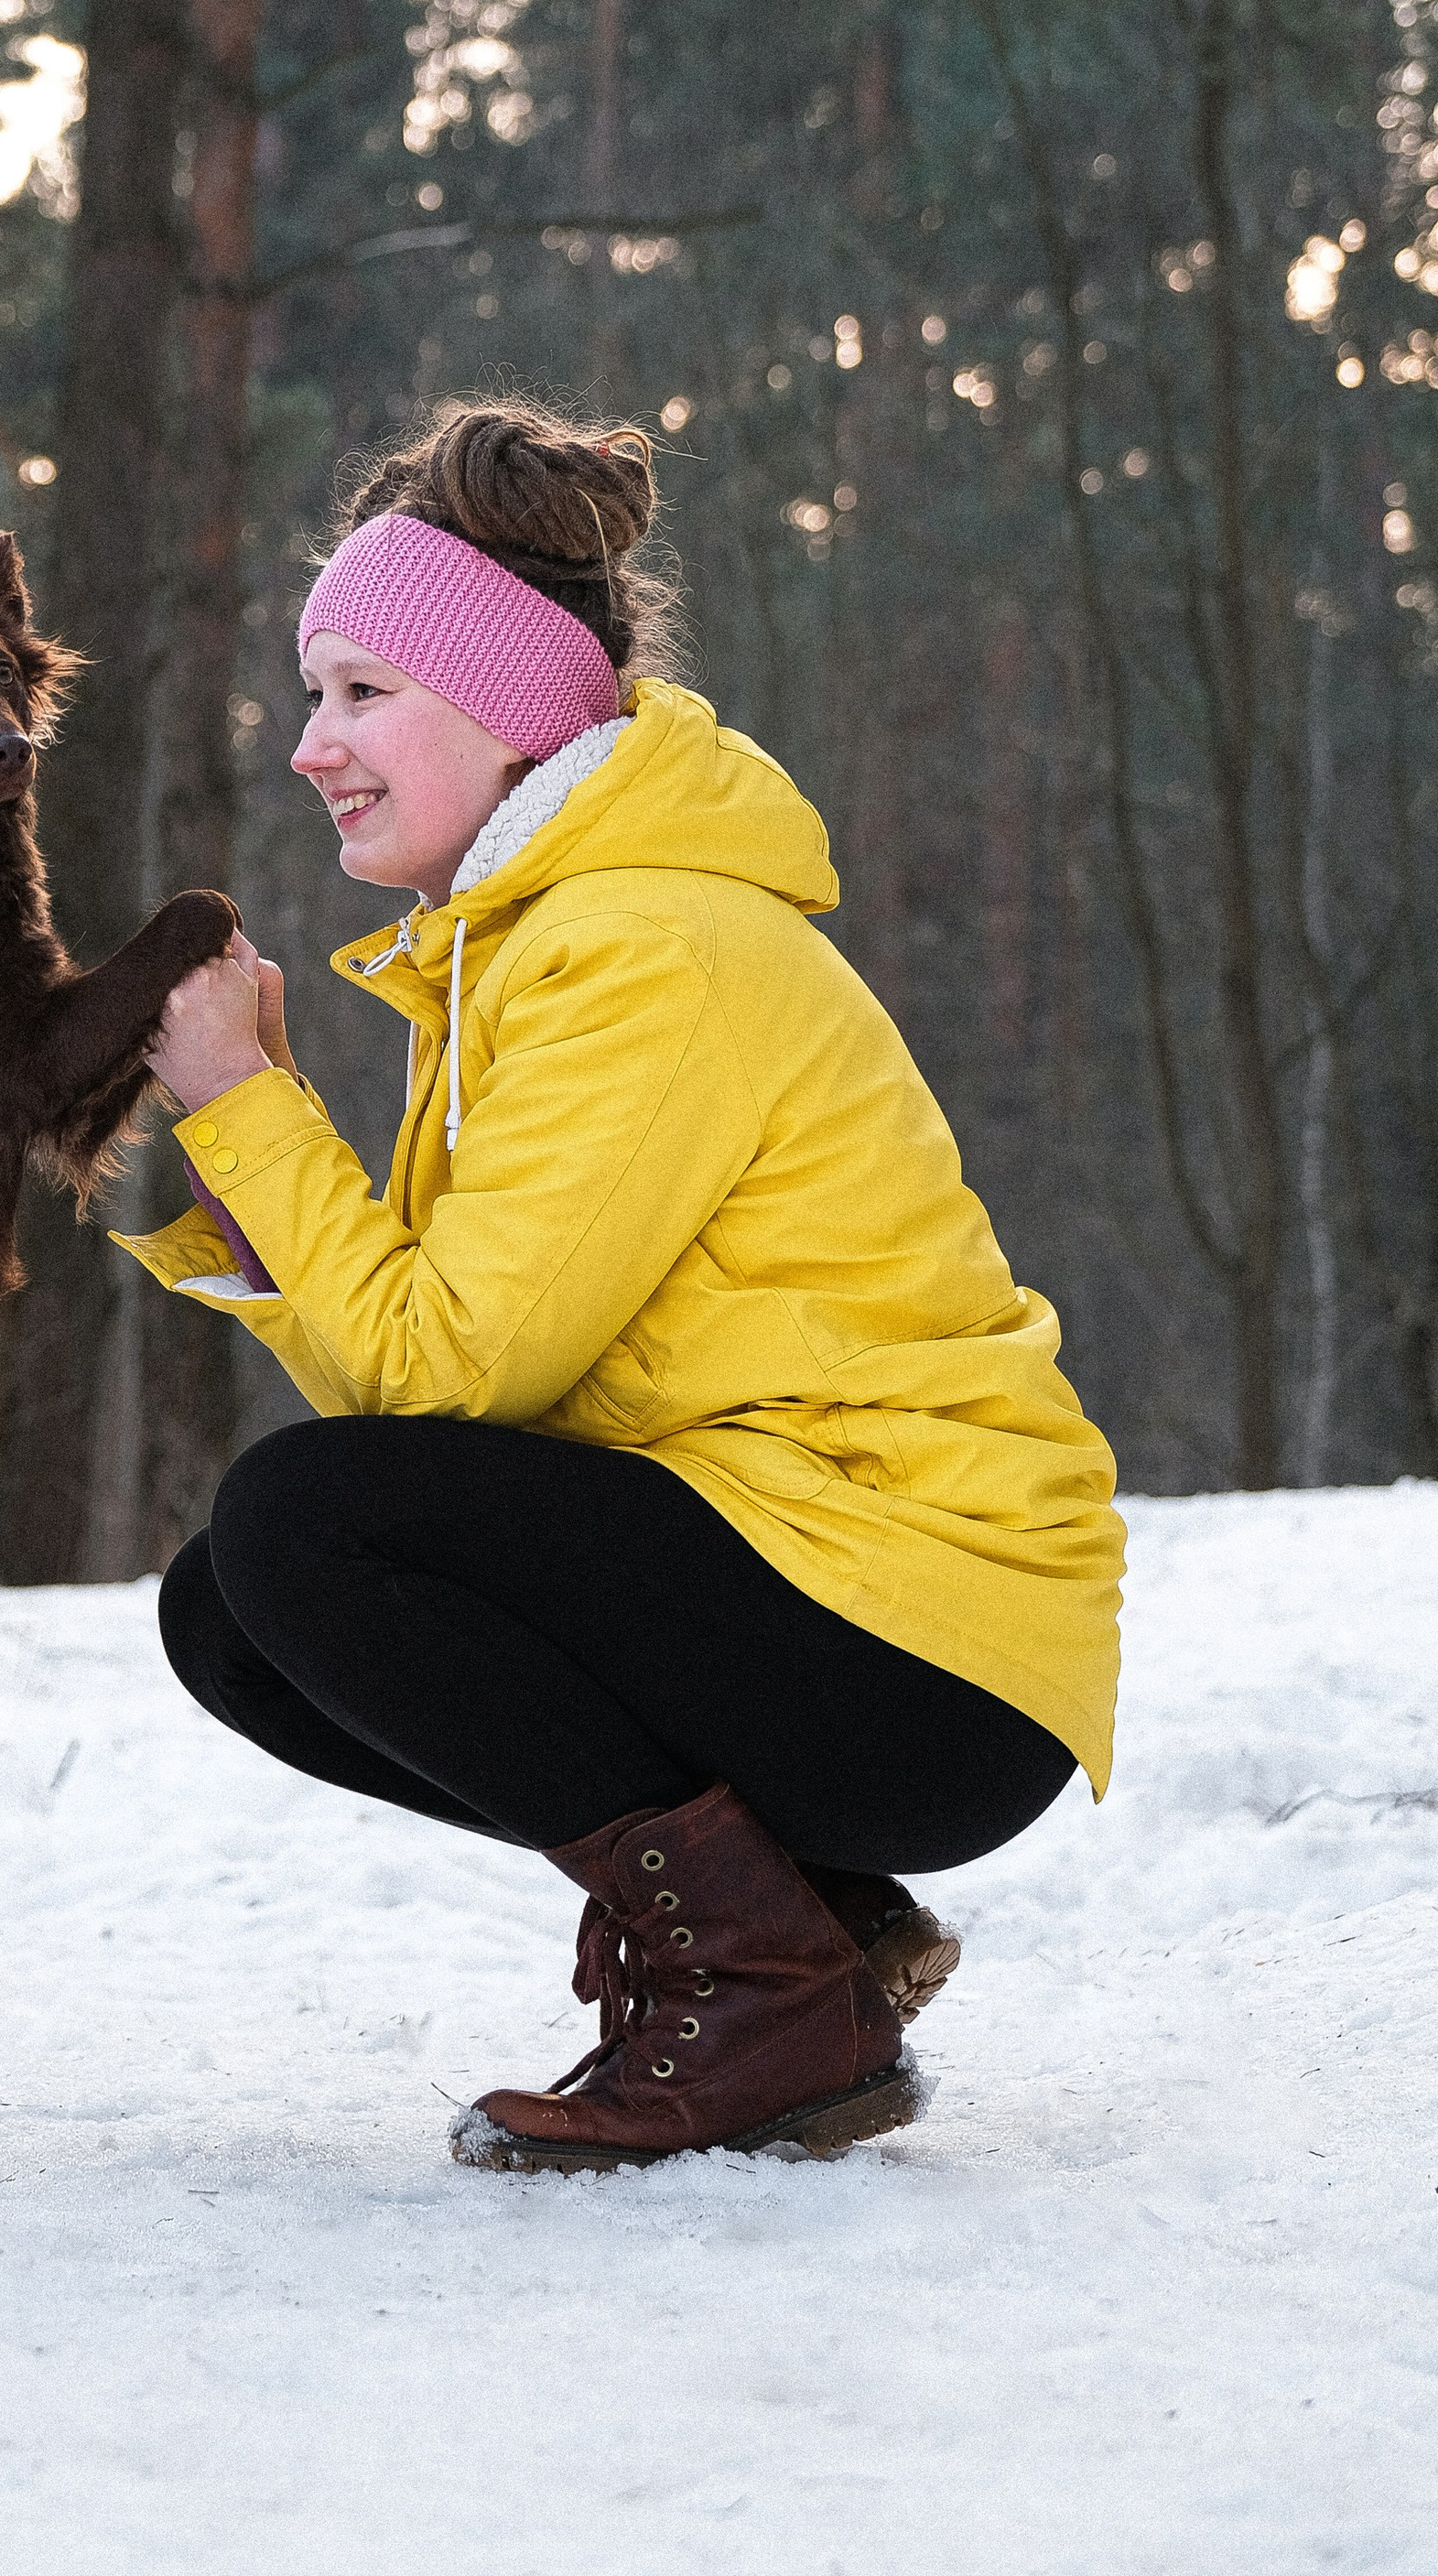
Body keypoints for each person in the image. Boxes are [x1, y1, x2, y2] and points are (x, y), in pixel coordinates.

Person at [119, 402, 1122, 2171]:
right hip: (826, 1586)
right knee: (240, 1608)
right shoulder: (520, 948)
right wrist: (250, 1131)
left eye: (360, 693)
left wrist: (245, 1110)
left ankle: (763, 1997)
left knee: (304, 1531)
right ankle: (805, 1931)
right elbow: (443, 1375)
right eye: (311, 694)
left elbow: (442, 1379)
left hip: (921, 1633)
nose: (306, 747)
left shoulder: (639, 947)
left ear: (506, 708)